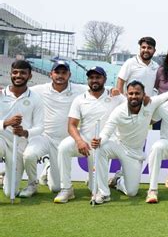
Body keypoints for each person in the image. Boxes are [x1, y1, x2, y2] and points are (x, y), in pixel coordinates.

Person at [90, 81, 168, 204]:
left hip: (134, 153)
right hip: (118, 145)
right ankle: (103, 193)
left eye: (137, 93)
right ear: (126, 94)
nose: (134, 96)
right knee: (101, 148)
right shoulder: (119, 111)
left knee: (131, 192)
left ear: (144, 94)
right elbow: (107, 132)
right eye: (131, 93)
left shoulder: (150, 103)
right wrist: (99, 140)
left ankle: (118, 181)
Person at [54, 67, 126, 203]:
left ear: (104, 79)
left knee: (95, 188)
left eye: (98, 77)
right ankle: (66, 189)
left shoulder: (115, 96)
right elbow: (71, 125)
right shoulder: (80, 99)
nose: (94, 80)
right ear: (88, 80)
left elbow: (132, 105)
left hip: (104, 143)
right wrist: (79, 141)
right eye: (91, 77)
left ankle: (96, 184)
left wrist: (121, 93)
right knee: (63, 147)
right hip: (85, 141)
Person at [19, 61, 88, 198]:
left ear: (69, 75)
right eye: (57, 72)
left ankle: (48, 168)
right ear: (51, 74)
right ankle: (32, 184)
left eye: (64, 73)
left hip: (66, 141)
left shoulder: (80, 90)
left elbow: (100, 89)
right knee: (29, 155)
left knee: (56, 188)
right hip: (45, 137)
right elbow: (19, 90)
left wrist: (113, 92)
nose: (60, 76)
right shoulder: (39, 90)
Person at [0, 60, 44, 197]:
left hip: (20, 145)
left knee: (10, 192)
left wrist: (25, 132)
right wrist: (6, 123)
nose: (18, 75)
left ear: (30, 76)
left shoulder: (35, 98)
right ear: (10, 74)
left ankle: (27, 183)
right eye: (15, 72)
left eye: (23, 73)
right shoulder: (1, 95)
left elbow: (40, 127)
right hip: (2, 139)